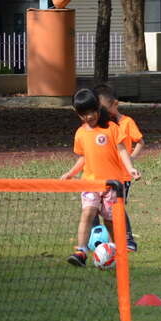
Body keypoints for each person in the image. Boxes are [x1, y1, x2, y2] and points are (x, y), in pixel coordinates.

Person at [60, 88, 140, 267]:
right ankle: (81, 251)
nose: (89, 117)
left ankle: (115, 252)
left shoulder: (111, 128)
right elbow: (83, 158)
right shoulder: (80, 133)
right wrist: (71, 173)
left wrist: (131, 169)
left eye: (91, 112)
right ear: (78, 114)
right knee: (87, 213)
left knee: (110, 221)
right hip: (90, 183)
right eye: (84, 114)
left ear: (98, 107)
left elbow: (122, 151)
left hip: (112, 185)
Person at [93, 83, 141, 251]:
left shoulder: (126, 122)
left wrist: (131, 159)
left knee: (117, 207)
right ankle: (96, 239)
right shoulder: (100, 127)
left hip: (122, 176)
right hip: (103, 175)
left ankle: (128, 239)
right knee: (94, 206)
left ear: (115, 104)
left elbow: (140, 142)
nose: (100, 113)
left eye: (103, 109)